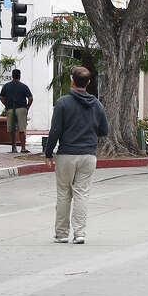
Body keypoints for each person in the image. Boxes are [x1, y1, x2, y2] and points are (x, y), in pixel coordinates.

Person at [45, 66, 109, 244]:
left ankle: (62, 233)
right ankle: (80, 233)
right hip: (88, 155)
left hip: (67, 154)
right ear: (88, 82)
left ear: (72, 81)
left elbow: (55, 130)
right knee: (82, 193)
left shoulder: (63, 102)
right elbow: (104, 130)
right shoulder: (96, 104)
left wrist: (48, 152)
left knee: (64, 194)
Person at [0, 68, 33, 153]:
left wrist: (6, 104)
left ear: (12, 76)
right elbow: (30, 98)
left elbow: (1, 97)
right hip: (21, 108)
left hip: (10, 109)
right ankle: (23, 148)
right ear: (19, 76)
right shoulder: (23, 86)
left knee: (12, 129)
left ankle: (14, 148)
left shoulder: (7, 86)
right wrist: (27, 107)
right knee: (22, 129)